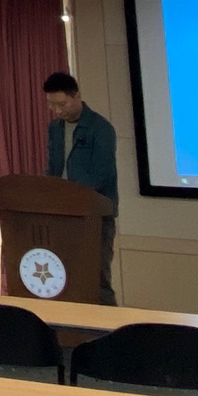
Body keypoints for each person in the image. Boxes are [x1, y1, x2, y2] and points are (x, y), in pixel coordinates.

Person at [44, 71, 119, 305]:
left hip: (94, 215)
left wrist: (70, 195)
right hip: (62, 214)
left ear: (77, 96)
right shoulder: (55, 128)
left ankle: (108, 324)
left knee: (97, 279)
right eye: (51, 105)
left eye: (62, 104)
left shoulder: (101, 128)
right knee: (65, 277)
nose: (57, 110)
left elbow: (100, 174)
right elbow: (53, 168)